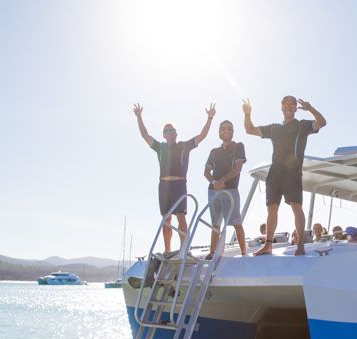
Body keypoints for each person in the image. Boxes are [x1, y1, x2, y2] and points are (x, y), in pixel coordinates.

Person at [243, 95, 327, 255]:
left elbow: (322, 123)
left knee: (296, 206)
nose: (288, 107)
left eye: (292, 104)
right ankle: (268, 244)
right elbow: (249, 130)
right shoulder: (275, 128)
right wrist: (247, 113)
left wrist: (311, 109)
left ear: (296, 108)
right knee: (272, 208)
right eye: (285, 104)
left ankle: (300, 244)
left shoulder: (302, 125)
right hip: (275, 173)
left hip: (292, 173)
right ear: (281, 107)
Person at [133, 102, 215, 254]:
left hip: (179, 185)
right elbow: (145, 135)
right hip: (164, 186)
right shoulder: (160, 147)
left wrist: (210, 118)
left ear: (176, 134)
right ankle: (167, 250)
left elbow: (202, 136)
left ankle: (184, 249)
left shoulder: (184, 146)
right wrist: (139, 117)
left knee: (181, 218)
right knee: (166, 220)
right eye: (167, 131)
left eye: (172, 130)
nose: (170, 132)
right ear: (164, 135)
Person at [203, 120, 247, 260]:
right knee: (215, 223)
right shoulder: (213, 151)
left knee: (236, 223)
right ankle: (212, 253)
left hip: (231, 191)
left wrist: (222, 181)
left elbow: (238, 168)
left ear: (233, 131)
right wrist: (214, 182)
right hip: (213, 191)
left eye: (229, 128)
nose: (226, 131)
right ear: (219, 132)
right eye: (223, 129)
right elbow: (206, 173)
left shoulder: (238, 146)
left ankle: (244, 253)